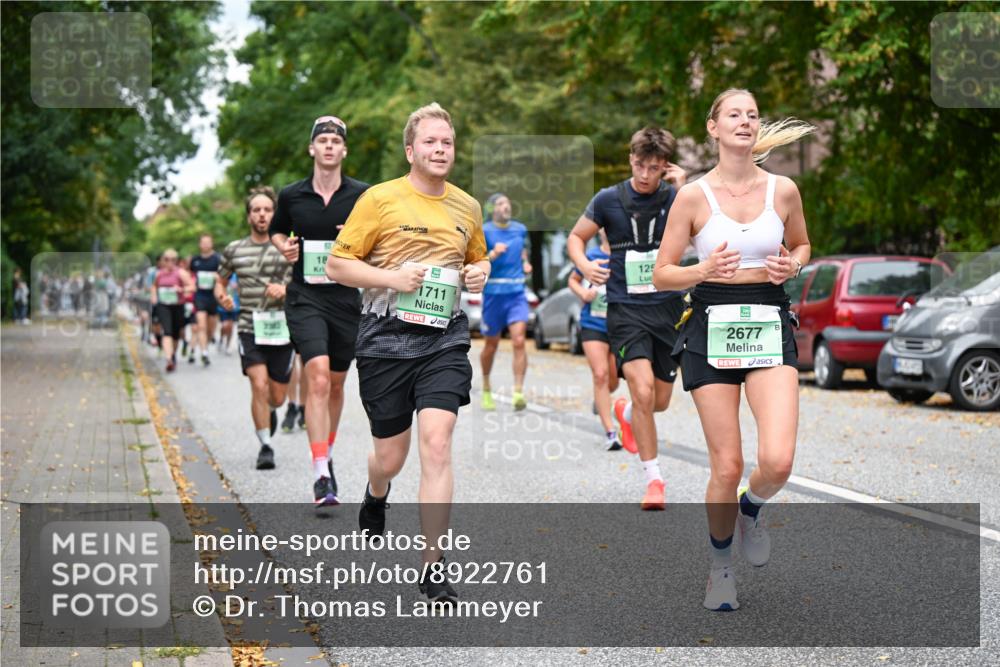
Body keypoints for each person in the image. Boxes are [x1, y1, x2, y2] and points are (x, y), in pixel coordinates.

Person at [652, 89, 813, 611]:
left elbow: (804, 245)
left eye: (752, 115)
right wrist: (702, 271)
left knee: (778, 460)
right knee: (726, 464)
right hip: (711, 321)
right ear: (714, 128)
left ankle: (751, 508)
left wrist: (794, 265)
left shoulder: (783, 190)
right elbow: (662, 273)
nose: (745, 121)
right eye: (734, 115)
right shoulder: (694, 197)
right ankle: (721, 567)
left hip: (768, 316)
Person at [327, 102, 489, 604]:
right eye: (431, 142)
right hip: (384, 341)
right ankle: (377, 493)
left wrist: (478, 274)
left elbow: (475, 261)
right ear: (410, 150)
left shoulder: (467, 206)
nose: (441, 150)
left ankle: (433, 565)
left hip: (445, 337)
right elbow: (337, 265)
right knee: (390, 458)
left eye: (447, 142)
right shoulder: (380, 200)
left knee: (437, 442)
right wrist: (391, 279)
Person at [567, 126, 687, 511]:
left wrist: (683, 189)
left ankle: (627, 413)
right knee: (643, 390)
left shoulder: (678, 198)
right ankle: (654, 479)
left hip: (668, 309)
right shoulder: (608, 199)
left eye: (654, 167)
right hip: (625, 310)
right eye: (639, 164)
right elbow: (575, 238)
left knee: (661, 401)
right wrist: (585, 263)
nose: (645, 174)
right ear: (630, 159)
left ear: (665, 166)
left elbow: (703, 231)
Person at [269, 115, 369, 509]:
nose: (329, 146)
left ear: (344, 150)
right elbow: (278, 230)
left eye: (335, 141)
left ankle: (326, 452)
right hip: (305, 296)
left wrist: (356, 238)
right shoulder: (292, 195)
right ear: (312, 148)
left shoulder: (363, 195)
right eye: (322, 140)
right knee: (318, 378)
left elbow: (377, 243)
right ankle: (320, 471)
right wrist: (283, 246)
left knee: (339, 384)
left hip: (345, 299)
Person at [217, 186, 295, 470]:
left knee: (277, 395)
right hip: (249, 326)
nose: (262, 215)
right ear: (249, 216)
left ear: (275, 214)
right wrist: (222, 297)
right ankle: (265, 445)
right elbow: (220, 281)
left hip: (282, 329)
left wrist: (286, 289)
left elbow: (303, 283)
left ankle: (271, 410)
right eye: (256, 210)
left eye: (267, 210)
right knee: (258, 385)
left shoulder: (288, 247)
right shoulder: (234, 249)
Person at [568, 229, 623, 451]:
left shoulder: (624, 254)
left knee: (613, 380)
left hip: (619, 324)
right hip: (593, 323)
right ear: (599, 230)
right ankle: (611, 431)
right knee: (600, 375)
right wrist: (583, 294)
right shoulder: (590, 256)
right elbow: (572, 280)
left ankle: (601, 401)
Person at [479, 193, 533, 411]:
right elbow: (477, 259)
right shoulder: (484, 230)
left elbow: (523, 250)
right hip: (493, 294)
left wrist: (526, 262)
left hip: (516, 292)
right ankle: (485, 386)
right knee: (491, 345)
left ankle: (518, 392)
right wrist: (492, 254)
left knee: (519, 340)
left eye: (508, 203)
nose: (505, 206)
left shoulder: (520, 229)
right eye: (501, 204)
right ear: (493, 209)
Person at [150, 249, 195, 372]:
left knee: (176, 334)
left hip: (177, 306)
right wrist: (154, 297)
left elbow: (192, 287)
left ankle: (173, 354)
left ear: (176, 261)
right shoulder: (159, 274)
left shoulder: (181, 273)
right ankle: (169, 358)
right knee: (167, 332)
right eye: (166, 260)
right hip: (163, 306)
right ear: (163, 261)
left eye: (172, 260)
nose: (169, 262)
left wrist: (181, 290)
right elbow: (154, 286)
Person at [190, 234, 222, 366]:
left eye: (208, 242)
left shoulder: (217, 259)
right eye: (203, 242)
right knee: (201, 326)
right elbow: (190, 275)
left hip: (213, 297)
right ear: (200, 244)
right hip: (200, 296)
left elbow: (225, 276)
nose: (205, 245)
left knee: (210, 329)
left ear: (212, 244)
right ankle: (204, 353)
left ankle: (205, 346)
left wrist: (217, 277)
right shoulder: (195, 260)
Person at [217, 272, 239, 354]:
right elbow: (218, 286)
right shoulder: (223, 274)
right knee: (224, 325)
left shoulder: (237, 275)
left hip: (235, 305)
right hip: (223, 306)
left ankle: (228, 345)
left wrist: (237, 287)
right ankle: (221, 338)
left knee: (230, 326)